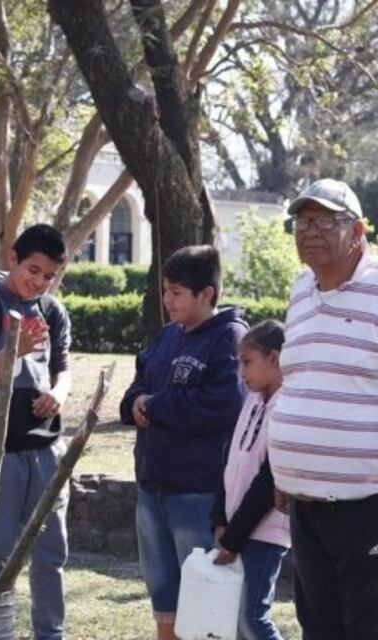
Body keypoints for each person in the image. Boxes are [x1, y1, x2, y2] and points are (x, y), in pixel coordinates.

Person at [269, 179, 378, 639]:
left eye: (325, 220)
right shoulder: (300, 291)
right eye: (302, 220)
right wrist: (289, 472)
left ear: (358, 231)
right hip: (308, 510)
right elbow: (303, 381)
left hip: (377, 507)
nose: (310, 230)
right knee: (321, 631)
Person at [118, 245, 247, 640]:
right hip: (152, 487)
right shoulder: (166, 336)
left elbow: (226, 403)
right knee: (165, 603)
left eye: (176, 292)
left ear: (206, 294)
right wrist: (136, 402)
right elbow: (139, 383)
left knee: (205, 605)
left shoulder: (230, 338)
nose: (167, 300)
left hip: (198, 493)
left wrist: (156, 407)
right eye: (165, 291)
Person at [0, 224, 72, 640]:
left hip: (47, 449)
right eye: (32, 270)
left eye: (47, 276)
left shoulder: (53, 312)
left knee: (50, 552)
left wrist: (58, 393)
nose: (37, 282)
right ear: (12, 259)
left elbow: (64, 369)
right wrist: (13, 351)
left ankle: (50, 634)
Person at [212, 320, 289, 640]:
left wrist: (233, 538)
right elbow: (230, 460)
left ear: (274, 359)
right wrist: (220, 518)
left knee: (251, 619)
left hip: (265, 532)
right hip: (237, 528)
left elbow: (268, 481)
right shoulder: (252, 400)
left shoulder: (287, 406)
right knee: (237, 622)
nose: (241, 371)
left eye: (247, 362)